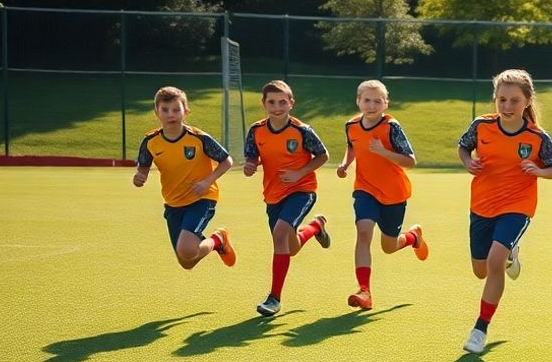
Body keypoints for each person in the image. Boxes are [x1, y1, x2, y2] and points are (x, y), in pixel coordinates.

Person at [456, 69, 552, 355]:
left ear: (527, 101)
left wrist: (539, 170)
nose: (507, 106)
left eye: (514, 100)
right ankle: (509, 257)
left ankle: (480, 329)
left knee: (493, 260)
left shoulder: (537, 137)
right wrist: (468, 162)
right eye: (502, 100)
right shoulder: (481, 126)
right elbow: (463, 147)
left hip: (518, 206)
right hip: (481, 205)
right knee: (481, 270)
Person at [336, 80, 428, 310]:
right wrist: (346, 164)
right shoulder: (351, 125)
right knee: (364, 232)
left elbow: (410, 161)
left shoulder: (391, 127)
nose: (372, 105)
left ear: (386, 103)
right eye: (367, 100)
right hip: (365, 188)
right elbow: (352, 146)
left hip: (394, 193)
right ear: (358, 101)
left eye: (378, 101)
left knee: (389, 246)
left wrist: (382, 152)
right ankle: (364, 291)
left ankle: (413, 238)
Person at [243, 80, 331, 316]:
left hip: (302, 190)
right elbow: (252, 157)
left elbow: (323, 156)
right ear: (264, 104)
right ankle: (315, 228)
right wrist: (250, 166)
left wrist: (299, 173)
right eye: (271, 102)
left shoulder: (302, 131)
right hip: (273, 195)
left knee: (280, 235)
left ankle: (274, 298)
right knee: (289, 248)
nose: (277, 106)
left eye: (282, 102)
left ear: (291, 103)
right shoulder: (256, 131)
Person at [132, 86, 236, 270]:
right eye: (165, 110)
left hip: (202, 198)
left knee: (186, 249)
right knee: (186, 261)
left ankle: (211, 241)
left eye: (176, 109)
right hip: (173, 203)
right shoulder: (150, 142)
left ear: (185, 111)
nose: (171, 114)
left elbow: (226, 161)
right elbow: (143, 168)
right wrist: (139, 177)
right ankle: (218, 240)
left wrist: (206, 182)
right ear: (157, 112)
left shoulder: (199, 138)